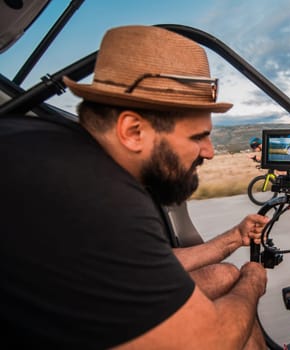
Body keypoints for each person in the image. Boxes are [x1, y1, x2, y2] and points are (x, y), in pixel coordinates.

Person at [0, 25, 269, 349]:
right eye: (198, 136)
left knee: (226, 275)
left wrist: (234, 238)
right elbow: (210, 342)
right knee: (239, 290)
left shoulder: (52, 145)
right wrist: (254, 281)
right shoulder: (97, 196)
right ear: (133, 130)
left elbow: (150, 262)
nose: (210, 151)